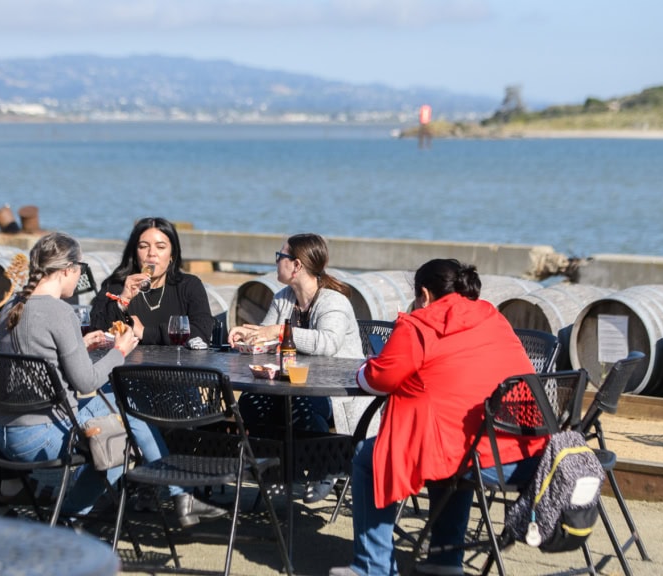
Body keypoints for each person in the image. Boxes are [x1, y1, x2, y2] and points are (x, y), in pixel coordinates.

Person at [329, 259, 546, 576]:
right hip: (527, 453)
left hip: (479, 455)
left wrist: (366, 368)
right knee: (450, 449)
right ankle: (444, 562)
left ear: (424, 295)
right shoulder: (493, 318)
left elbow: (380, 379)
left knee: (368, 457)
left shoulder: (419, 325)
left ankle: (370, 567)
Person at [0, 231, 225, 526]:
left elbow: (41, 357)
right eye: (79, 269)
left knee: (125, 413)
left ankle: (179, 496)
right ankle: (72, 516)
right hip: (44, 435)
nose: (79, 275)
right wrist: (119, 351)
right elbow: (85, 382)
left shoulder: (11, 308)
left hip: (7, 432)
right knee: (124, 430)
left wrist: (82, 345)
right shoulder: (60, 313)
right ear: (67, 270)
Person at [228, 232, 363, 503]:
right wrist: (249, 334)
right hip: (289, 384)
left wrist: (280, 331)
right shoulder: (283, 298)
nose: (276, 262)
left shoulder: (332, 301)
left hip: (336, 390)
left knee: (303, 404)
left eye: (280, 257)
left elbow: (328, 342)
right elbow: (269, 336)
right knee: (251, 402)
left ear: (297, 265)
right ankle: (276, 468)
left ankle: (325, 466)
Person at [90, 217, 213, 346]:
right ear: (135, 254)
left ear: (172, 255)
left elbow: (202, 333)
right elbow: (95, 336)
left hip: (177, 365)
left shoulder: (189, 286)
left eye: (160, 247)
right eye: (143, 246)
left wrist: (145, 333)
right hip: (128, 365)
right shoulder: (116, 286)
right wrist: (122, 301)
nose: (152, 253)